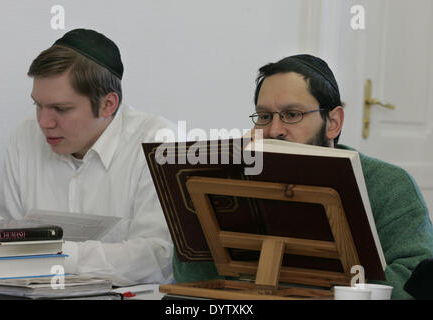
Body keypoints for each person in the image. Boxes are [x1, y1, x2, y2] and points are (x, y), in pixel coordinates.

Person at [172, 54, 433, 299]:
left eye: (292, 115)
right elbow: (189, 281)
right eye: (264, 116)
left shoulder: (390, 184)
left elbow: (412, 281)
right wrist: (217, 186)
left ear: (333, 123)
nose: (274, 130)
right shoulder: (236, 181)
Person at [0, 28, 175, 286]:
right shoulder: (24, 137)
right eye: (38, 105)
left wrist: (57, 254)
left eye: (60, 109)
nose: (44, 122)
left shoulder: (158, 142)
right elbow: (4, 241)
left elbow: (157, 257)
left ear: (108, 104)